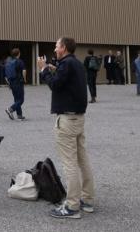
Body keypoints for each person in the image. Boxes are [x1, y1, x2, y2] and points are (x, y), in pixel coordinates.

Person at [39, 37, 95, 220]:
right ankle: (87, 199)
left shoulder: (66, 64)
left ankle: (72, 206)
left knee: (69, 163)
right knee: (82, 159)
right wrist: (53, 69)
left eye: (56, 46)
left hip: (67, 120)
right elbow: (65, 79)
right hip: (78, 118)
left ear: (63, 47)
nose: (55, 49)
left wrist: (43, 70)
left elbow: (55, 85)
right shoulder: (76, 64)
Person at [4, 48, 28, 119]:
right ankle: (10, 109)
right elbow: (24, 71)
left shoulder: (9, 62)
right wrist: (25, 79)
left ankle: (19, 115)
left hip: (12, 82)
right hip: (18, 82)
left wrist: (9, 83)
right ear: (19, 53)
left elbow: (6, 75)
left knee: (16, 99)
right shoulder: (20, 61)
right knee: (21, 100)